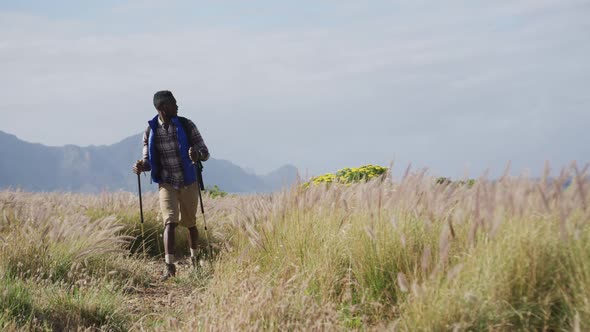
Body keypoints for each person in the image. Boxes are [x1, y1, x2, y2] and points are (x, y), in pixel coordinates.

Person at [132, 90, 209, 280]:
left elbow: (205, 152)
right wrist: (141, 166)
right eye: (174, 103)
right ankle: (169, 266)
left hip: (188, 180)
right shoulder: (150, 131)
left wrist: (197, 155)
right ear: (163, 108)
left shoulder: (186, 125)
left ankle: (194, 260)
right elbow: (148, 161)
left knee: (191, 223)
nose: (177, 106)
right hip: (166, 181)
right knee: (170, 221)